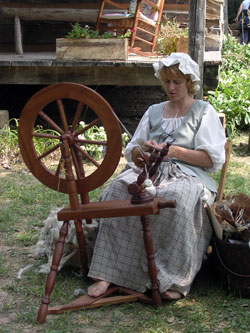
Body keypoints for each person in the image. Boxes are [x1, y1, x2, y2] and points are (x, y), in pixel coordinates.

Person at [87, 53, 226, 300]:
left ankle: (172, 278)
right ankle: (109, 272)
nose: (171, 88)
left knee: (176, 198)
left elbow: (210, 160)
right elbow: (133, 152)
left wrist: (173, 151)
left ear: (189, 82)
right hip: (148, 172)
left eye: (177, 82)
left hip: (187, 175)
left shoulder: (203, 111)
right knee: (118, 190)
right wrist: (143, 152)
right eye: (166, 82)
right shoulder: (154, 111)